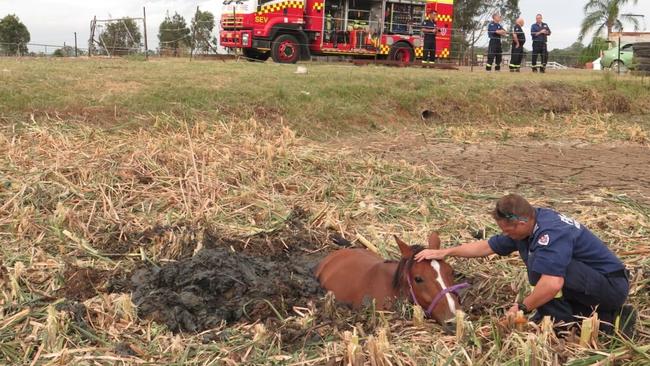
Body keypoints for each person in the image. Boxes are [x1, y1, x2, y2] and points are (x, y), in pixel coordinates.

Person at [415, 194, 637, 337]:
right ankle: (602, 318)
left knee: (543, 268)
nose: (505, 234)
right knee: (543, 278)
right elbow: (487, 247)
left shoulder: (550, 234)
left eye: (508, 230)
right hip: (588, 283)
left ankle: (569, 321)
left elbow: (552, 283)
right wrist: (446, 251)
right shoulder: (527, 225)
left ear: (521, 222)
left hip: (610, 285)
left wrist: (522, 307)